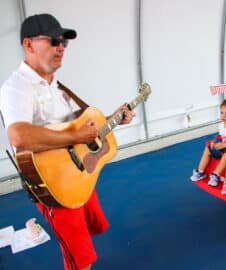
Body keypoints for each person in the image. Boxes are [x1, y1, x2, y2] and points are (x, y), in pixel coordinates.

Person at [0, 13, 135, 270]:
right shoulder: (17, 86)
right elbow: (18, 135)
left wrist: (112, 118)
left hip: (73, 175)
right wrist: (75, 136)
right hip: (52, 185)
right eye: (53, 40)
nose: (61, 47)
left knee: (90, 228)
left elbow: (77, 128)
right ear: (29, 45)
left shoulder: (56, 87)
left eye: (64, 42)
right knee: (79, 258)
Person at [190, 98, 226, 186]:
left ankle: (216, 174)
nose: (223, 116)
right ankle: (200, 172)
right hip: (224, 145)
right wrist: (214, 141)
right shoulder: (222, 125)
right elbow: (221, 136)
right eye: (221, 113)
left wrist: (224, 145)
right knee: (208, 149)